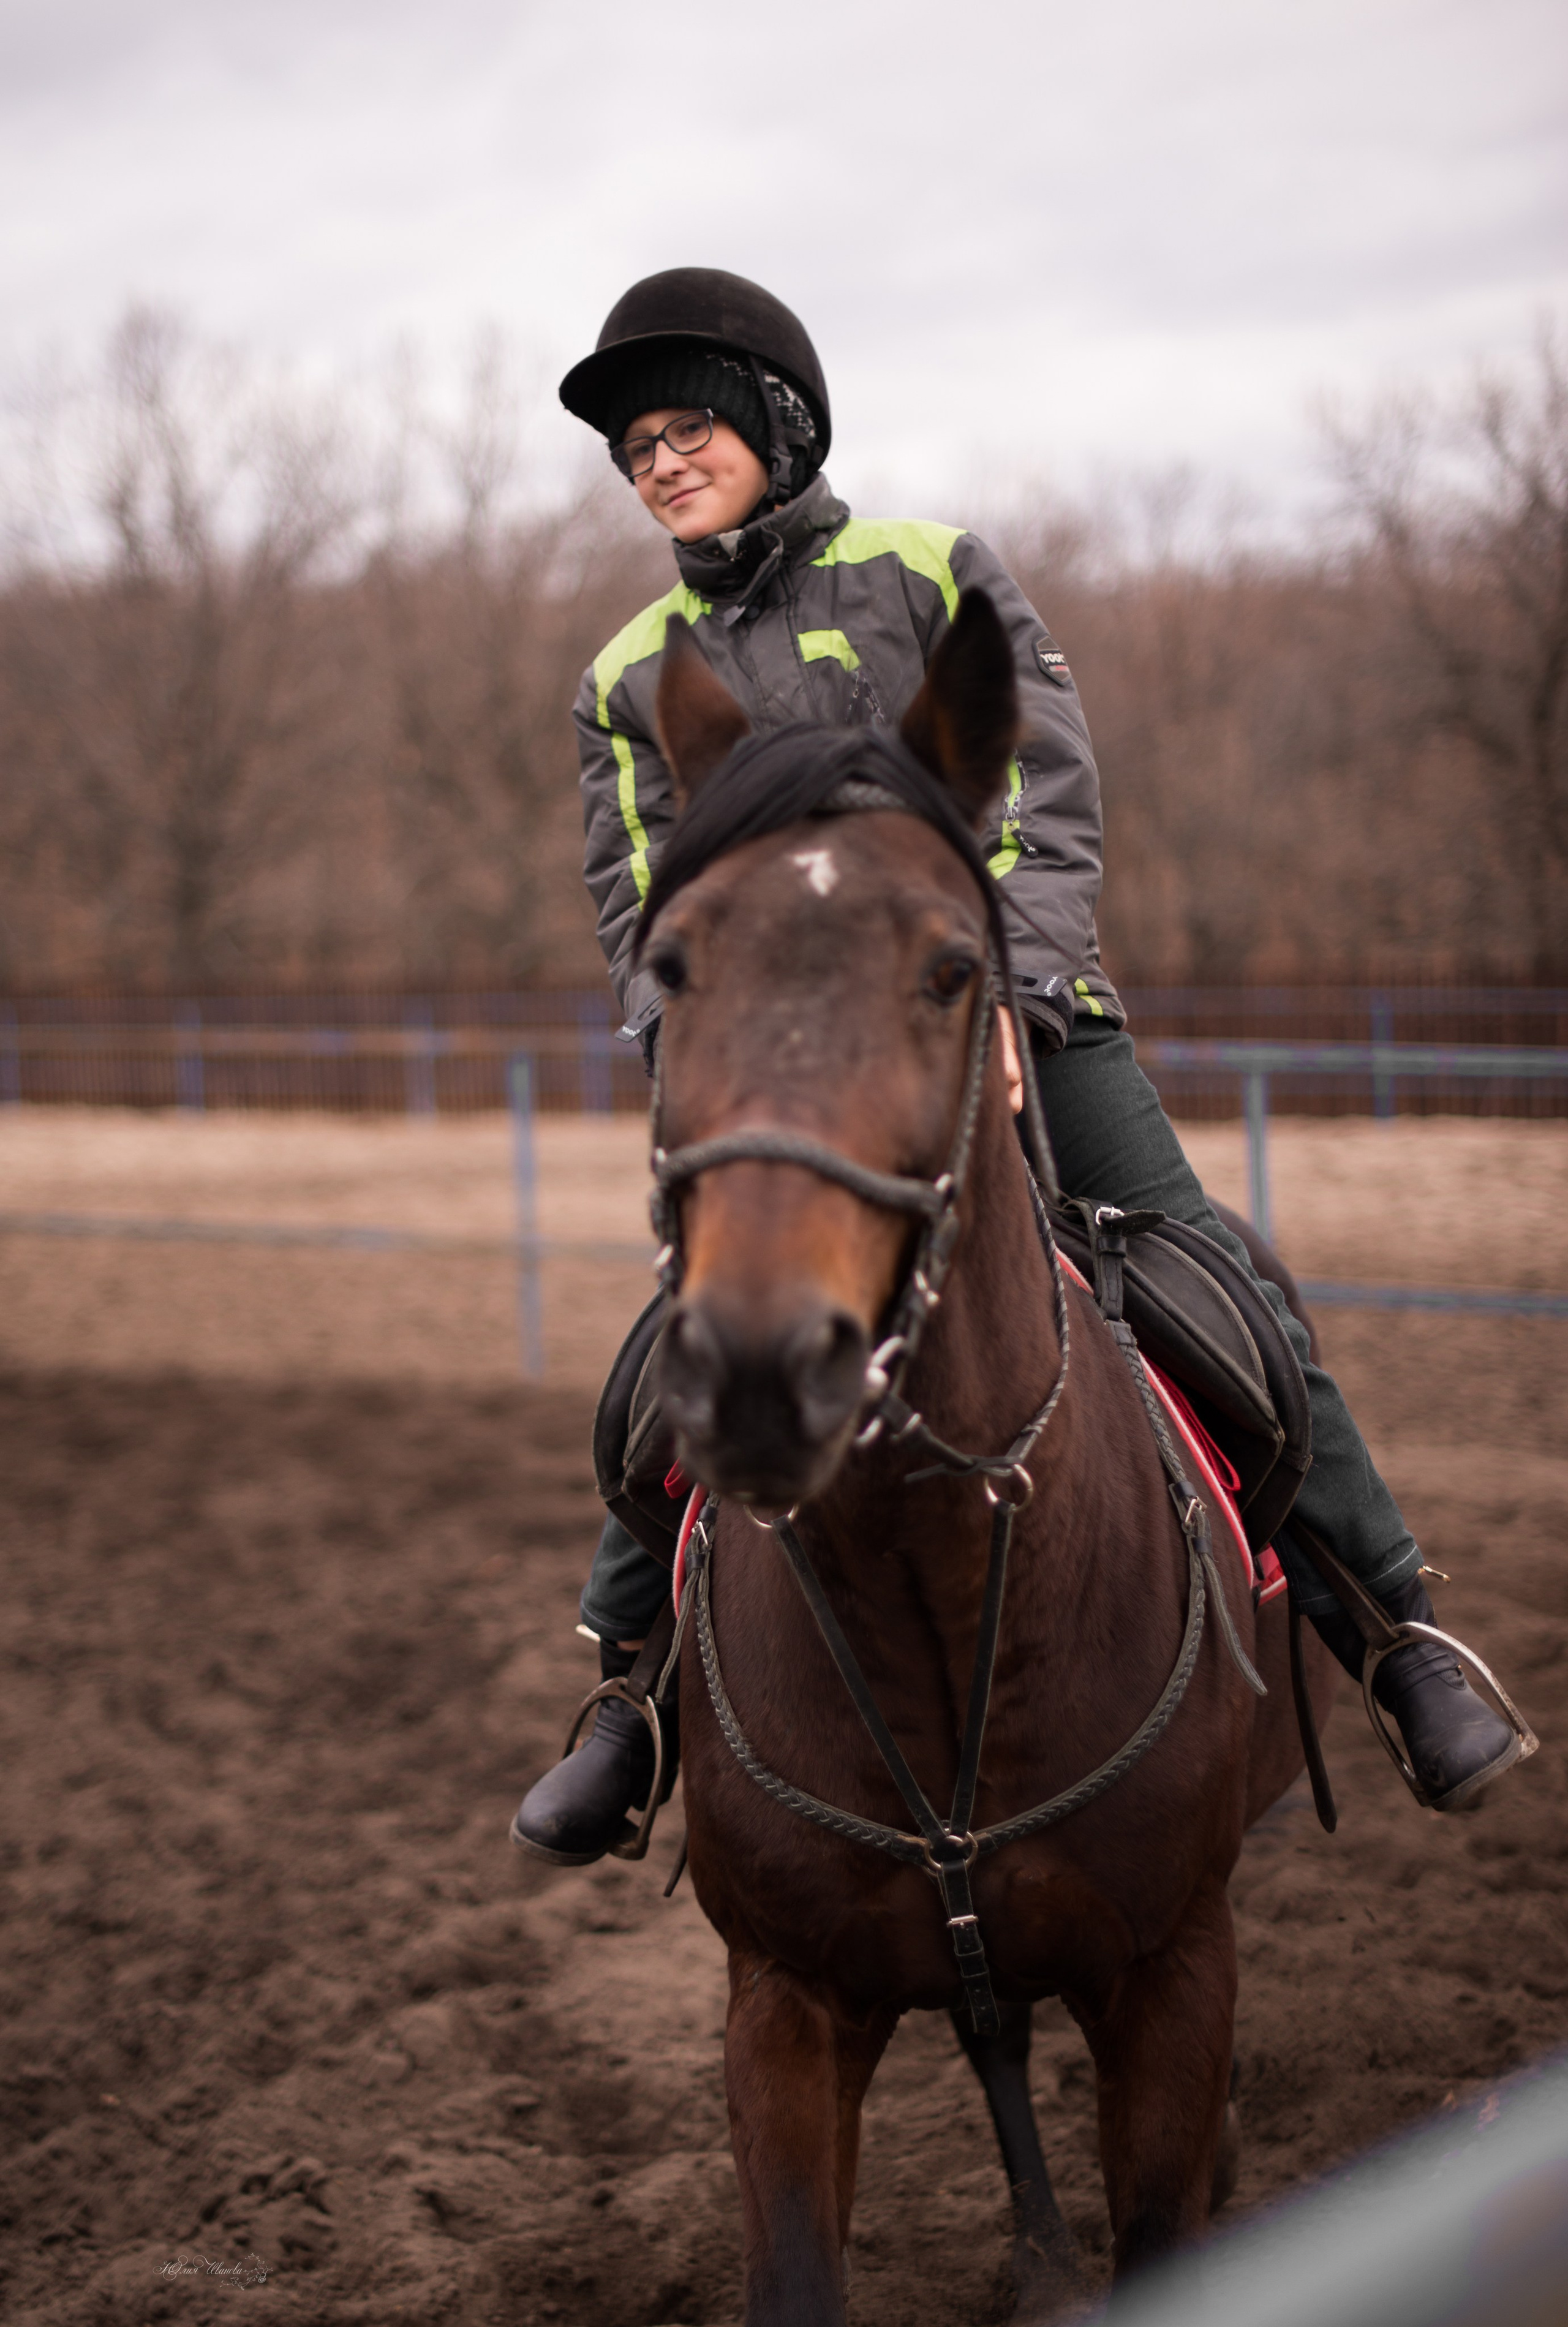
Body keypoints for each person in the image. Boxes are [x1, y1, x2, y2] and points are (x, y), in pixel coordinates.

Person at [511, 267, 1521, 1865]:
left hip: (1016, 1017)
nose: (657, 461)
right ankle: (634, 1697)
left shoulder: (931, 572)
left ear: (778, 423)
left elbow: (1045, 796)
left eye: (687, 426)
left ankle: (1394, 1634)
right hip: (776, 1075)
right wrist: (706, 1050)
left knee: (1217, 1275)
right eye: (634, 446)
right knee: (682, 1343)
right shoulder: (629, 671)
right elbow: (636, 896)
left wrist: (1013, 997)